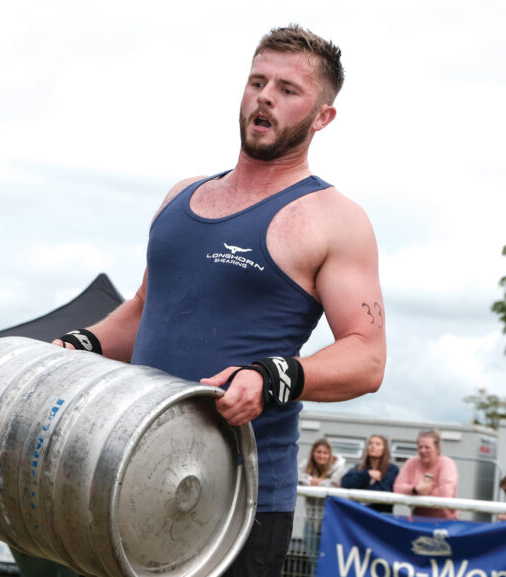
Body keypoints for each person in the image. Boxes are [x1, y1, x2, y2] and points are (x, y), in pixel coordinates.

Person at [54, 23, 386, 577]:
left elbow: (367, 357)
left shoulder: (334, 220)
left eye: (288, 89)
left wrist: (273, 377)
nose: (265, 97)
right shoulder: (180, 196)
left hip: (237, 501)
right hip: (128, 476)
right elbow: (142, 312)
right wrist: (83, 343)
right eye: (258, 81)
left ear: (322, 116)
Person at [393, 430, 459, 519]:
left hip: (445, 521)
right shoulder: (411, 462)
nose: (423, 451)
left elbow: (446, 492)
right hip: (418, 520)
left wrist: (422, 493)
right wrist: (415, 490)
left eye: (427, 447)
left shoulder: (447, 463)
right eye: (420, 447)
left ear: (437, 449)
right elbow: (397, 487)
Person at [341, 434, 399, 513]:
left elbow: (384, 491)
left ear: (384, 449)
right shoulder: (359, 468)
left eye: (377, 444)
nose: (373, 446)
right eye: (370, 443)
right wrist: (367, 474)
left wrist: (359, 489)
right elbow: (345, 483)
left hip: (380, 516)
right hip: (357, 514)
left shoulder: (392, 470)